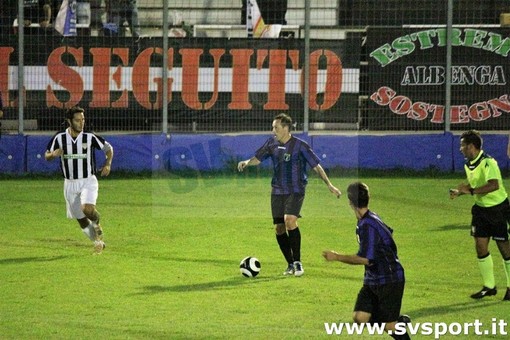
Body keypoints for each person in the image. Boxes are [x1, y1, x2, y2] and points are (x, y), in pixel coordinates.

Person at [237, 113, 341, 276]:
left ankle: (298, 263)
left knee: (289, 220)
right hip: (277, 190)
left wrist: (329, 185)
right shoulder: (272, 143)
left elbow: (316, 166)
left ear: (286, 128)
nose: (273, 130)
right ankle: (290, 264)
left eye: (276, 127)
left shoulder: (300, 146)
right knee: (279, 228)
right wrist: (247, 162)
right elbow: (259, 158)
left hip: (296, 189)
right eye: (273, 127)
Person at [322, 182, 410, 340]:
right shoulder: (370, 218)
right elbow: (388, 234)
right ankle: (394, 321)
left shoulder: (367, 225)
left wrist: (336, 256)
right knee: (359, 318)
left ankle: (395, 324)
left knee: (390, 327)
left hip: (389, 280)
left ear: (350, 202)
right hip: (373, 279)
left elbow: (365, 259)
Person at [449, 130, 510, 300]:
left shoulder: (488, 162)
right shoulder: (468, 164)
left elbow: (494, 185)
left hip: (498, 209)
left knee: (504, 248)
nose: (460, 149)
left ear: (471, 146)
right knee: (480, 246)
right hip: (481, 210)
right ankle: (489, 286)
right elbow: (475, 184)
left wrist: (471, 191)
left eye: (462, 145)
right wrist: (460, 192)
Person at [45, 106, 113, 254]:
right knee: (81, 220)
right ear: (69, 121)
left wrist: (107, 164)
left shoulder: (89, 137)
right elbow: (47, 155)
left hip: (88, 180)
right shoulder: (60, 138)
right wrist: (53, 155)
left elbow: (108, 148)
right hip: (69, 184)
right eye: (77, 120)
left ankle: (97, 223)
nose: (81, 123)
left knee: (87, 209)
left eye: (83, 119)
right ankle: (98, 242)